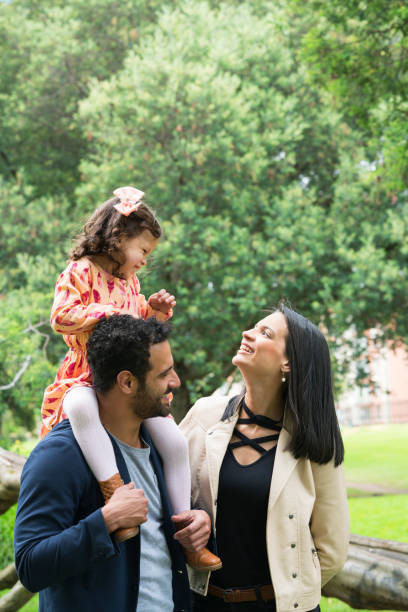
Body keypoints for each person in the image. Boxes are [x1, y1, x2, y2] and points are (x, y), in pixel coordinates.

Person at [40, 186, 220, 570]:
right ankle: (114, 492)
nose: (144, 261)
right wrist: (105, 313)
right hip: (86, 373)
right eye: (142, 250)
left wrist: (153, 314)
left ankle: (185, 530)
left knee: (173, 440)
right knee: (81, 410)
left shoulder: (130, 283)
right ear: (118, 239)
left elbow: (138, 332)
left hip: (130, 379)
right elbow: (60, 316)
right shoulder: (80, 271)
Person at [15, 315, 213, 611]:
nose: (175, 382)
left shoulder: (160, 447)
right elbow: (31, 566)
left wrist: (197, 522)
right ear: (127, 382)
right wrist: (106, 521)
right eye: (164, 374)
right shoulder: (58, 457)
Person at [180, 303, 350, 612]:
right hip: (203, 603)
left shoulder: (315, 441)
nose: (247, 333)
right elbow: (166, 491)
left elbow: (332, 549)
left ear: (288, 362)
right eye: (254, 327)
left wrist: (290, 593)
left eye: (265, 332)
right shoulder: (203, 415)